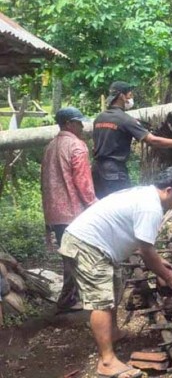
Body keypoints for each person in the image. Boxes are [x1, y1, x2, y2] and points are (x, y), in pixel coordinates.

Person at [59, 166, 172, 378]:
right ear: (169, 190)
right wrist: (170, 278)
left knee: (112, 289)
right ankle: (107, 362)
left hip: (93, 244)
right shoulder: (151, 208)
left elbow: (144, 245)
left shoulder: (145, 195)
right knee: (100, 300)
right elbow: (146, 252)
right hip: (87, 245)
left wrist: (161, 263)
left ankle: (112, 333)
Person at [92, 81, 172, 198]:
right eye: (129, 95)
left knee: (103, 205)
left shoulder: (99, 119)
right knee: (121, 204)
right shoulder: (125, 119)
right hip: (114, 173)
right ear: (121, 96)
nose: (131, 98)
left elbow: (95, 146)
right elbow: (153, 141)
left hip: (97, 171)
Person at [41, 107, 97, 312]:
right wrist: (94, 205)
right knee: (77, 256)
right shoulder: (76, 146)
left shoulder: (50, 147)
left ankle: (72, 297)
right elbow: (83, 182)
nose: (82, 126)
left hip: (55, 213)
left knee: (69, 255)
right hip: (74, 212)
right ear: (68, 124)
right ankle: (67, 300)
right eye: (78, 123)